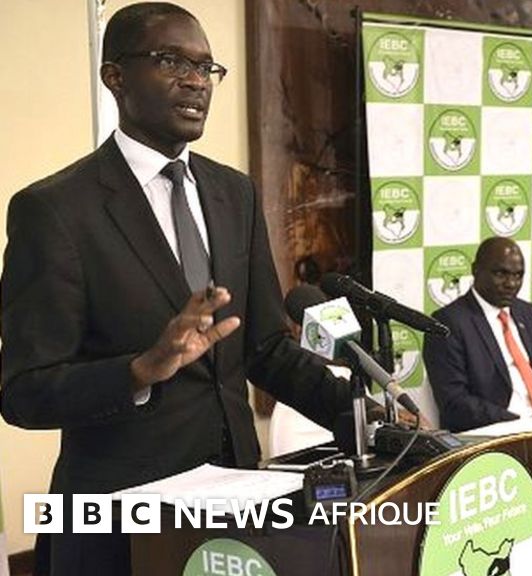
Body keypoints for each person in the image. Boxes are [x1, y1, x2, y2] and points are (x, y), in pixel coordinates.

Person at [0, 4, 351, 574]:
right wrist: (140, 371)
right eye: (171, 61)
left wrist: (360, 413)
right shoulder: (56, 210)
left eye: (206, 67)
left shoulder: (234, 193)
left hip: (235, 512)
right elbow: (24, 392)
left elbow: (264, 347)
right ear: (115, 76)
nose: (195, 81)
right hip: (120, 526)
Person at [423, 237, 532, 432]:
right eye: (501, 274)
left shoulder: (526, 312)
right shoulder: (448, 322)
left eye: (518, 275)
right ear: (476, 270)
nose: (511, 283)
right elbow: (454, 402)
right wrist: (520, 422)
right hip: (497, 432)